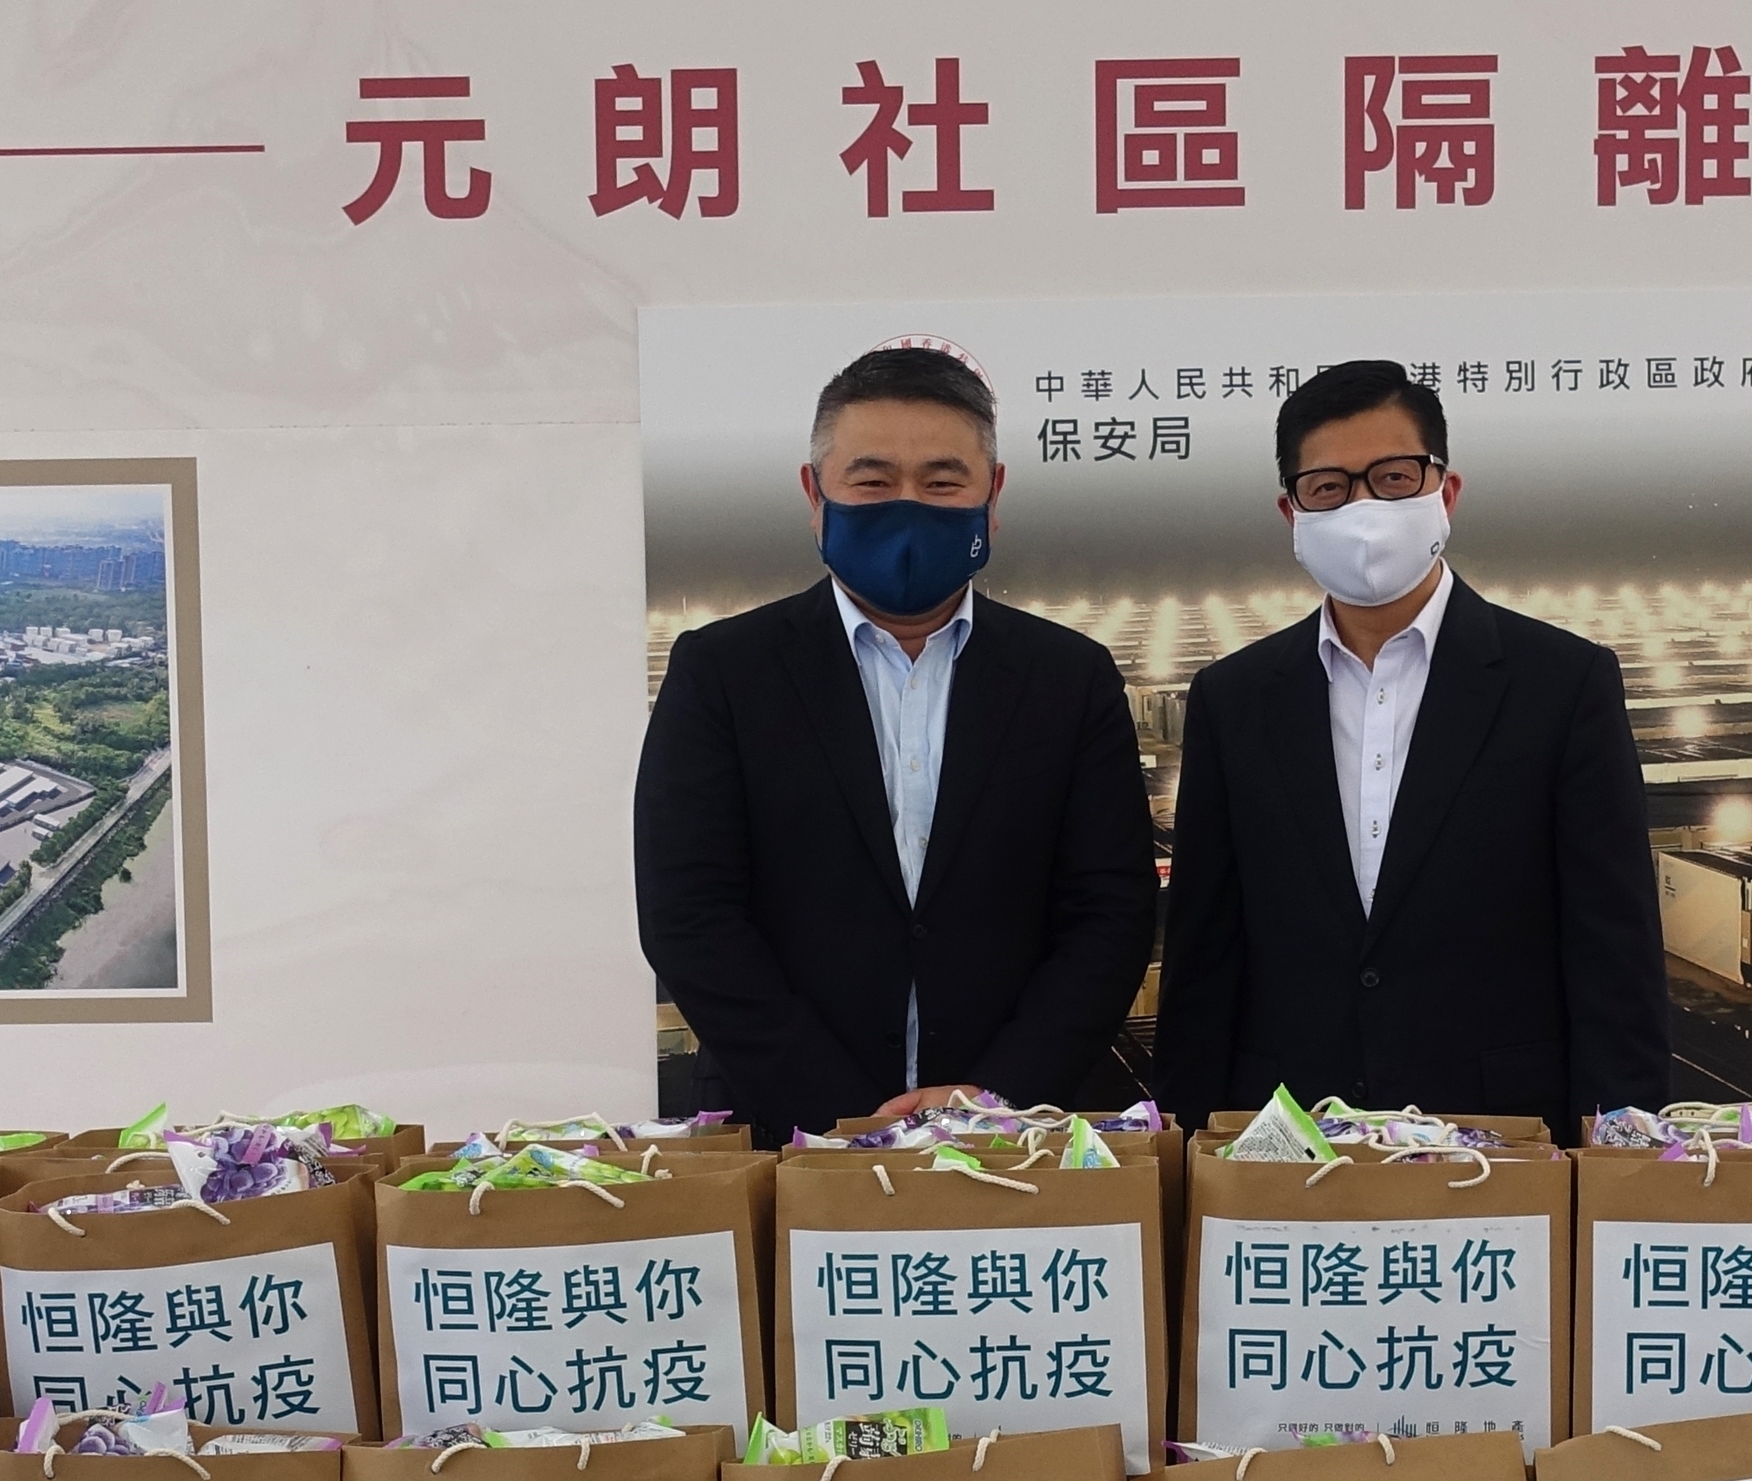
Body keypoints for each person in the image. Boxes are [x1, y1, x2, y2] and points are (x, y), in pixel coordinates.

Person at [635, 345, 1157, 1143]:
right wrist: (845, 1118)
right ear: (815, 494)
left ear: (993, 495)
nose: (907, 507)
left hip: (1021, 1136)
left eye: (943, 482)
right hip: (787, 1134)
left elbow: (1110, 914)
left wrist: (996, 1099)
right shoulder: (724, 672)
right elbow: (689, 915)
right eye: (873, 481)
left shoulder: (1067, 678)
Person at [1154, 359, 1667, 1133]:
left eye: (1393, 477)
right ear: (1292, 512)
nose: (1363, 508)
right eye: (1329, 487)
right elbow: (1204, 954)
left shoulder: (1561, 685)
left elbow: (1614, 952)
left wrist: (1618, 1160)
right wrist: (1187, 1154)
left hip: (1503, 1143)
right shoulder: (1235, 699)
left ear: (1445, 492)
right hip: (1288, 1146)